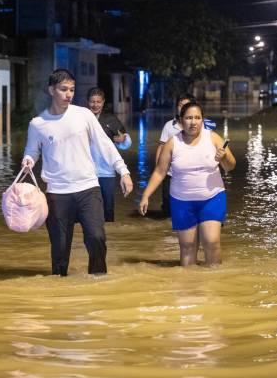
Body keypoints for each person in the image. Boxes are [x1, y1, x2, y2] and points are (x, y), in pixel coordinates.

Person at [22, 69, 134, 276]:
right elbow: (31, 151)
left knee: (97, 237)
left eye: (72, 90)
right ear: (51, 90)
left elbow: (105, 145)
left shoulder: (84, 115)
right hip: (57, 194)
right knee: (60, 250)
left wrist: (123, 171)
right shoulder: (38, 124)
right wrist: (28, 161)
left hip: (88, 189)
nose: (69, 94)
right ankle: (60, 288)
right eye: (63, 89)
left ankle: (98, 280)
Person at [139, 102, 235, 266]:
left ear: (202, 120)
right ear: (181, 121)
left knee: (211, 242)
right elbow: (160, 171)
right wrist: (146, 196)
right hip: (181, 201)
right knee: (187, 246)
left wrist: (224, 157)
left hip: (212, 198)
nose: (193, 122)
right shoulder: (172, 142)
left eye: (197, 118)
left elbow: (230, 166)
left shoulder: (212, 137)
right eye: (189, 118)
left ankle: (215, 283)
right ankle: (188, 285)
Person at [155, 93, 216, 217]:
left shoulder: (200, 125)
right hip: (170, 172)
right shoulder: (169, 126)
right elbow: (161, 146)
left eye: (186, 105)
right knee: (167, 205)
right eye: (180, 105)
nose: (182, 108)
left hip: (192, 173)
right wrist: (158, 168)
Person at [87, 87, 132, 222]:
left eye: (98, 102)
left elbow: (126, 142)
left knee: (108, 208)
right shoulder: (81, 119)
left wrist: (123, 140)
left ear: (103, 102)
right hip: (86, 173)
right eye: (92, 101)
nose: (95, 105)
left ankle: (109, 237)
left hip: (107, 172)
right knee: (87, 209)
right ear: (87, 102)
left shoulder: (110, 119)